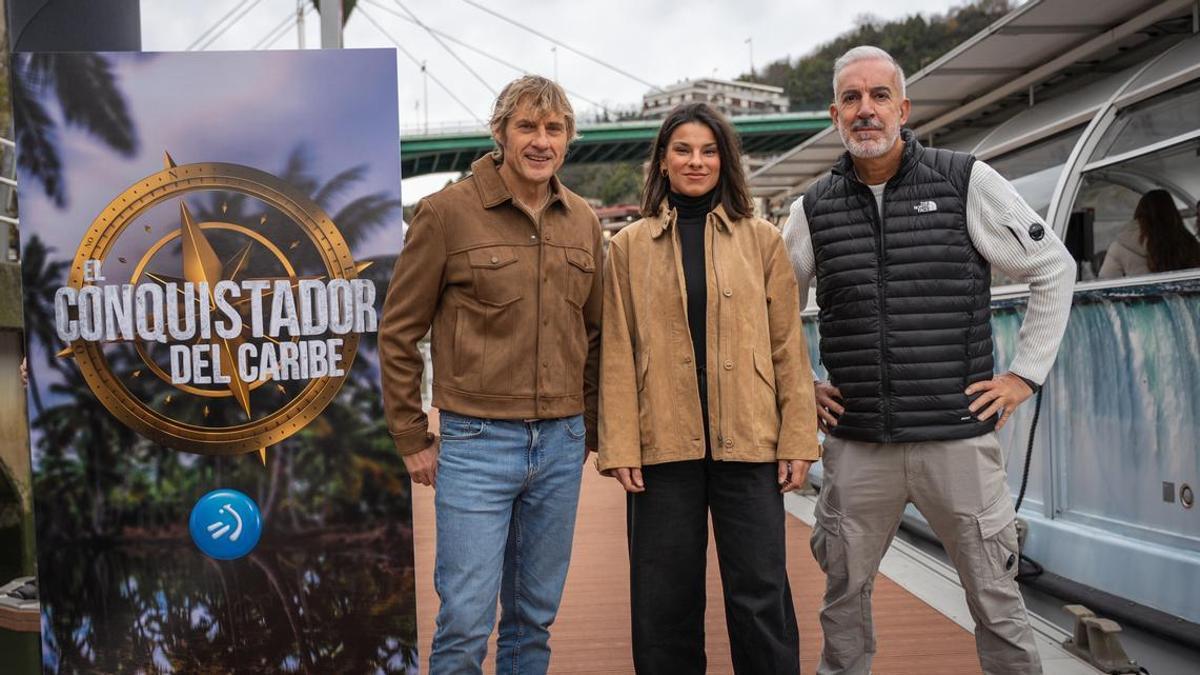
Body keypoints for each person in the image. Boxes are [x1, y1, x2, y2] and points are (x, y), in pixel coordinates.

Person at [782, 46, 1076, 675]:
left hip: (956, 437)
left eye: (879, 96)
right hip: (860, 443)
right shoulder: (811, 208)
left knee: (997, 600)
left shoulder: (965, 179)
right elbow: (769, 306)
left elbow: (1054, 266)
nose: (867, 110)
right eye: (853, 99)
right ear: (835, 114)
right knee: (842, 602)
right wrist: (799, 384)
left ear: (903, 108)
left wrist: (1025, 375)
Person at [379, 75, 602, 675]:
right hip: (476, 445)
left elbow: (597, 333)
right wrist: (411, 436)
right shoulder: (446, 214)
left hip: (561, 444)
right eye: (527, 126)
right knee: (466, 619)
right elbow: (399, 331)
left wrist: (593, 428)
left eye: (553, 129)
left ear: (567, 140)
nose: (540, 141)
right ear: (500, 133)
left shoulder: (583, 220)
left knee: (534, 617)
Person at [599, 102, 819, 675]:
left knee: (760, 592)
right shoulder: (626, 248)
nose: (696, 162)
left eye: (708, 150)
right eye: (683, 150)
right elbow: (617, 354)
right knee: (663, 601)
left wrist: (798, 437)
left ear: (725, 161)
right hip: (661, 446)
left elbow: (787, 349)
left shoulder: (763, 241)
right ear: (662, 162)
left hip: (748, 440)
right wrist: (619, 444)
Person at [1099, 188, 1200, 278]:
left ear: (1139, 212)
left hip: (1141, 299)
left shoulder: (1120, 245)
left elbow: (1105, 280)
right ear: (1173, 213)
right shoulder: (1188, 243)